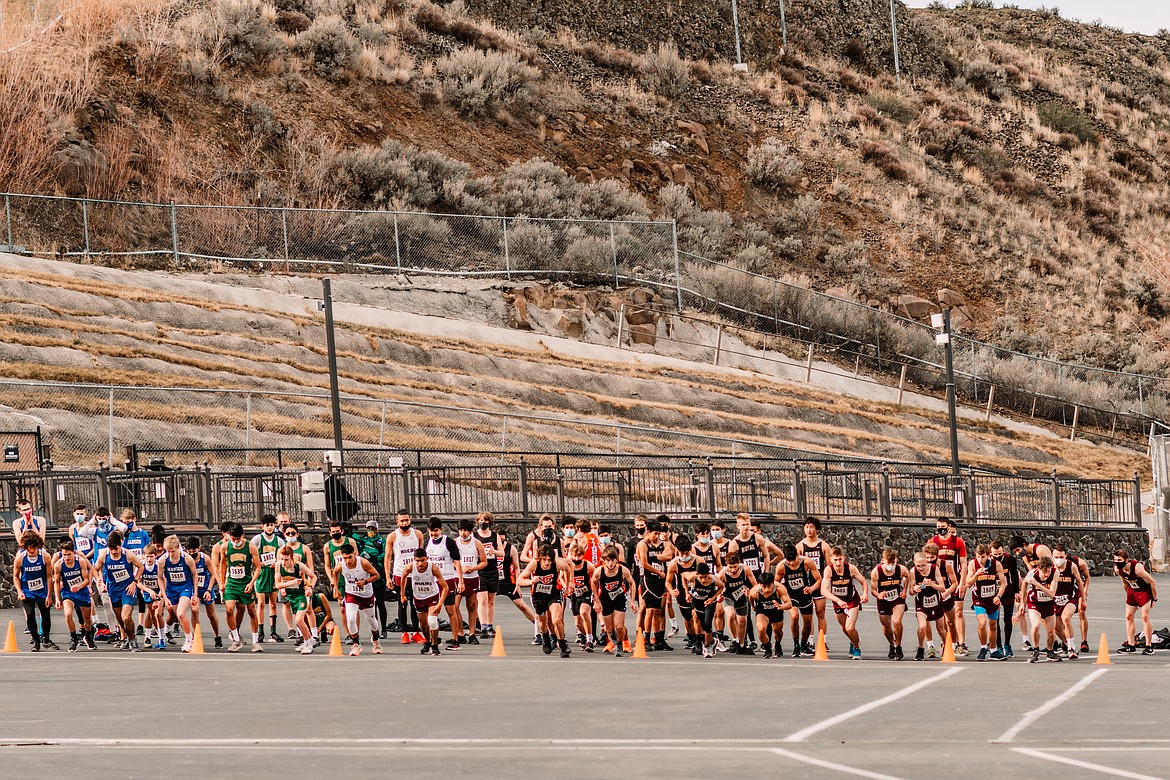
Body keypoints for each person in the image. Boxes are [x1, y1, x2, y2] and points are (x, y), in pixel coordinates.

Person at [518, 543, 574, 657]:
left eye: (549, 559)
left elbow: (567, 568)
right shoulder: (534, 564)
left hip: (553, 593)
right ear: (539, 558)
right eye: (544, 559)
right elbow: (519, 580)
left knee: (557, 619)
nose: (547, 562)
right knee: (543, 622)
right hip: (539, 596)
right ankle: (545, 638)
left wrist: (569, 585)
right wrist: (531, 581)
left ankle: (562, 644)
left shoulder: (556, 563)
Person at [93, 530, 144, 651]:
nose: (115, 552)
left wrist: (135, 581)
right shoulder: (104, 555)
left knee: (126, 617)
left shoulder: (128, 555)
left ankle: (132, 640)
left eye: (116, 549)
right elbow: (95, 569)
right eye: (112, 550)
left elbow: (141, 567)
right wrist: (100, 581)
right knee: (120, 619)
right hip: (113, 590)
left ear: (120, 545)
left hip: (127, 589)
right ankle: (126, 638)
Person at [333, 543, 382, 656]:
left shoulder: (363, 563)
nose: (347, 560)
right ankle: (356, 643)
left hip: (366, 595)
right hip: (351, 594)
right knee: (350, 619)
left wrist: (365, 582)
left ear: (354, 554)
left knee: (372, 621)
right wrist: (335, 588)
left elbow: (376, 575)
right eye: (345, 558)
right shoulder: (341, 565)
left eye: (350, 557)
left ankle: (375, 640)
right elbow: (335, 572)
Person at [221, 523, 263, 653]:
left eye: (237, 539)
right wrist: (222, 583)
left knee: (251, 610)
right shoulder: (225, 547)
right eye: (232, 539)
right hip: (232, 583)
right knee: (229, 609)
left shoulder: (250, 547)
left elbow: (258, 567)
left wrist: (252, 583)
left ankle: (255, 641)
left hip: (246, 582)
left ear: (242, 536)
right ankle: (235, 639)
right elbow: (222, 565)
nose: (235, 542)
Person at [385, 510, 425, 645]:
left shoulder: (418, 534)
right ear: (397, 522)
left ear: (410, 520)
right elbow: (388, 558)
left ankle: (415, 632)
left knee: (416, 603)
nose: (404, 523)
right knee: (402, 603)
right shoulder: (392, 537)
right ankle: (404, 633)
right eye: (402, 521)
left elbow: (422, 555)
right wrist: (388, 577)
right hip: (399, 574)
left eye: (406, 520)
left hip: (415, 575)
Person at [821, 546, 868, 660]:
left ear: (844, 559)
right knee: (844, 628)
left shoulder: (850, 568)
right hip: (838, 602)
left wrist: (865, 593)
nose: (838, 563)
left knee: (850, 627)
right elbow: (823, 590)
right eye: (835, 560)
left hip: (852, 600)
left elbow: (863, 581)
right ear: (831, 560)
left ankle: (856, 647)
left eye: (840, 559)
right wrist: (837, 600)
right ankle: (854, 640)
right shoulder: (828, 570)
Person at [636, 519, 676, 651]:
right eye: (654, 534)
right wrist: (658, 571)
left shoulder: (663, 543)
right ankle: (646, 638)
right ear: (648, 532)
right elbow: (644, 563)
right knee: (650, 610)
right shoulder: (642, 545)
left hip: (660, 580)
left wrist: (655, 557)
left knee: (660, 610)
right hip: (648, 579)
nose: (657, 536)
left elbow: (669, 555)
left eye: (658, 534)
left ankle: (660, 639)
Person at [930, 518, 969, 655]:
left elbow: (964, 564)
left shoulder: (957, 542)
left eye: (943, 526)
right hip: (940, 582)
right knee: (944, 614)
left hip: (954, 580)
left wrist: (963, 582)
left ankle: (961, 643)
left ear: (948, 526)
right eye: (938, 526)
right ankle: (948, 641)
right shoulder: (933, 542)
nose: (941, 528)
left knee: (957, 611)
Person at [424, 518, 465, 650]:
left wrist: (461, 581)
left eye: (436, 531)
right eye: (431, 531)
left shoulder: (449, 542)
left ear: (441, 530)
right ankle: (433, 640)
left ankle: (455, 639)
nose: (433, 534)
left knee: (451, 610)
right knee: (431, 613)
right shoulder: (426, 543)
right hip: (432, 583)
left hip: (447, 580)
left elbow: (457, 562)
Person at [777, 543, 822, 657]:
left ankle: (803, 644)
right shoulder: (781, 566)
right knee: (794, 616)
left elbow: (819, 580)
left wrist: (811, 588)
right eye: (789, 561)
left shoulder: (807, 562)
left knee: (807, 622)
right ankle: (796, 644)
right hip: (790, 595)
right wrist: (781, 599)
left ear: (798, 555)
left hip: (804, 594)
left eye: (794, 560)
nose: (792, 563)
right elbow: (776, 584)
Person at [13, 531, 56, 650]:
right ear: (25, 547)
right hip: (27, 590)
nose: (31, 551)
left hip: (42, 589)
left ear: (38, 546)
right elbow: (16, 576)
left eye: (33, 548)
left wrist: (49, 594)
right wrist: (20, 591)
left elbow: (49, 576)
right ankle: (36, 641)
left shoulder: (45, 556)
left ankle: (46, 639)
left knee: (45, 614)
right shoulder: (20, 558)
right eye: (28, 548)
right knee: (30, 614)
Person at [402, 548, 449, 656]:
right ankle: (427, 642)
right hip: (418, 598)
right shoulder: (410, 567)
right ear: (414, 560)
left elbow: (445, 587)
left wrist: (440, 604)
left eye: (423, 560)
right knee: (423, 625)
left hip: (432, 596)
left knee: (432, 621)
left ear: (427, 559)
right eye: (417, 561)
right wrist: (402, 595)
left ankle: (435, 644)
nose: (420, 563)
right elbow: (403, 577)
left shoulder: (433, 568)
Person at [592, 545, 636, 656]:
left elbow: (632, 583)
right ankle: (614, 641)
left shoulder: (622, 570)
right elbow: (593, 582)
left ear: (617, 560)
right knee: (609, 628)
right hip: (605, 599)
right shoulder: (599, 571)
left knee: (619, 626)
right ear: (604, 560)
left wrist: (632, 601)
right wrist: (597, 600)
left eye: (613, 560)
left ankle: (620, 645)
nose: (611, 563)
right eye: (608, 560)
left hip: (619, 598)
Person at [494, 527, 539, 636]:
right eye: (499, 541)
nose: (502, 543)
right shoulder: (490, 548)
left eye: (503, 540)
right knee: (483, 602)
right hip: (493, 580)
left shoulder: (511, 548)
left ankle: (538, 625)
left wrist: (517, 584)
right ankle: (482, 625)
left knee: (521, 604)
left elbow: (516, 567)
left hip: (508, 581)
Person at [157, 535, 198, 653]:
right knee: (177, 616)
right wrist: (165, 597)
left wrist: (195, 594)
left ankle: (189, 640)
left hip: (185, 587)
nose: (170, 554)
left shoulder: (187, 559)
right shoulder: (162, 561)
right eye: (168, 551)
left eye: (173, 551)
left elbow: (195, 575)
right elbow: (160, 578)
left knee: (180, 614)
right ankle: (189, 638)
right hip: (171, 589)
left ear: (178, 548)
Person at [275, 545, 319, 654]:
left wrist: (310, 588)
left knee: (299, 620)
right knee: (298, 622)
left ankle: (308, 643)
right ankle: (308, 640)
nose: (283, 562)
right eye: (281, 559)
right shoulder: (278, 566)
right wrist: (291, 583)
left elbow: (313, 576)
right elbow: (277, 585)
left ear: (292, 558)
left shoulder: (299, 566)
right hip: (291, 596)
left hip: (302, 595)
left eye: (286, 559)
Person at [966, 544, 1007, 661]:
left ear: (988, 556)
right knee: (982, 623)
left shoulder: (996, 565)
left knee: (993, 625)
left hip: (992, 598)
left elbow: (1003, 583)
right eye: (978, 556)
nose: (980, 560)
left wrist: (999, 596)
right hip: (979, 599)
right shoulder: (972, 564)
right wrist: (976, 575)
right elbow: (968, 583)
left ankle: (993, 650)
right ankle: (983, 647)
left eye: (983, 557)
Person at [53, 539, 95, 651]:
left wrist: (80, 586)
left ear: (73, 552)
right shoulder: (58, 565)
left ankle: (88, 635)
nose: (66, 557)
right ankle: (73, 637)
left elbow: (86, 580)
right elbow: (56, 582)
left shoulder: (80, 561)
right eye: (64, 555)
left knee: (87, 618)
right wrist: (57, 598)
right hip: (68, 593)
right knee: (68, 615)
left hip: (81, 591)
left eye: (69, 554)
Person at [797, 517, 832, 649]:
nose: (809, 530)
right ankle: (810, 641)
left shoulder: (823, 545)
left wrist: (828, 583)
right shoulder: (800, 546)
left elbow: (829, 566)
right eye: (806, 527)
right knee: (808, 614)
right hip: (806, 583)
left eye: (811, 527)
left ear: (816, 528)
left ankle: (823, 640)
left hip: (820, 582)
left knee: (820, 612)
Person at [1114, 550, 1158, 655]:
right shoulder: (1117, 569)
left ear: (1126, 560)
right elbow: (1125, 583)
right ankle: (1131, 645)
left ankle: (1148, 646)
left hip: (1144, 591)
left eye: (1119, 560)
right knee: (1129, 616)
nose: (1117, 562)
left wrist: (1154, 598)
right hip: (1133, 592)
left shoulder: (1137, 569)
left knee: (1145, 616)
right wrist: (1129, 598)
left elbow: (1152, 582)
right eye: (1115, 560)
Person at [250, 515, 285, 644]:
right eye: (267, 525)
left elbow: (283, 556)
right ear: (262, 526)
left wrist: (277, 563)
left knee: (273, 603)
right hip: (262, 572)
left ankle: (273, 631)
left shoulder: (279, 541)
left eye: (272, 525)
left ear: (275, 526)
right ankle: (260, 631)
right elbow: (251, 553)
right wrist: (258, 562)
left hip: (273, 572)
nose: (270, 527)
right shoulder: (257, 539)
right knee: (261, 603)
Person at [923, 542, 963, 656]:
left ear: (937, 556)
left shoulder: (946, 565)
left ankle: (954, 645)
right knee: (926, 621)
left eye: (932, 557)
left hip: (945, 597)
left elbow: (955, 583)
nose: (929, 560)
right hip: (930, 598)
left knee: (950, 622)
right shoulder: (923, 567)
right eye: (927, 558)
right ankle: (930, 645)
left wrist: (946, 592)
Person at [1021, 556, 1062, 663]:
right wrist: (1022, 603)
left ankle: (1050, 652)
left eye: (1048, 571)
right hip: (1035, 603)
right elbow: (1024, 585)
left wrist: (1037, 584)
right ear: (1039, 569)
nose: (1046, 574)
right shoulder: (1032, 573)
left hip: (1048, 604)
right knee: (1036, 625)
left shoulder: (1055, 573)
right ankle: (1035, 650)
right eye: (1044, 572)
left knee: (1051, 632)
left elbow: (1052, 593)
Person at [870, 548, 909, 660]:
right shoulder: (876, 572)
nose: (891, 565)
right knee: (886, 627)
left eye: (893, 563)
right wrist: (878, 595)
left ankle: (898, 646)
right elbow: (873, 590)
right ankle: (892, 644)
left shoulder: (900, 569)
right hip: (883, 600)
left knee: (896, 621)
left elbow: (907, 576)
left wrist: (904, 590)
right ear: (883, 561)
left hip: (897, 599)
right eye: (888, 563)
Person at [715, 551, 756, 655]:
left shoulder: (745, 569)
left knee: (742, 621)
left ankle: (742, 645)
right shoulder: (723, 574)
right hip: (728, 597)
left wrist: (750, 593)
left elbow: (755, 585)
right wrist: (718, 597)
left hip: (741, 597)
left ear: (739, 563)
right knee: (730, 615)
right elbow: (717, 589)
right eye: (730, 567)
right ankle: (735, 639)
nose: (732, 570)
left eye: (735, 567)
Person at [910, 551, 948, 661]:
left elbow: (942, 588)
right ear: (914, 563)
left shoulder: (934, 569)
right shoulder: (913, 572)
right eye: (918, 566)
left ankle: (947, 648)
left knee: (940, 629)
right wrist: (914, 589)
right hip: (922, 603)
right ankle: (921, 648)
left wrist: (931, 584)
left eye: (923, 565)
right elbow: (911, 592)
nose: (921, 568)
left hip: (936, 602)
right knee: (922, 626)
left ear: (927, 562)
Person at [1053, 544, 1091, 654]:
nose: (1058, 560)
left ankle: (1073, 646)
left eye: (1061, 557)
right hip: (1054, 598)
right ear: (1052, 556)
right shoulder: (1049, 566)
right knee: (1055, 624)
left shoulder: (1073, 565)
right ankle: (1065, 642)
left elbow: (1081, 581)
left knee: (1066, 618)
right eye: (1056, 557)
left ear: (1066, 556)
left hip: (1070, 597)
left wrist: (1083, 597)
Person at [185, 537, 222, 649]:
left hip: (205, 587)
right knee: (195, 611)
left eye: (194, 552)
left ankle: (217, 635)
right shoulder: (186, 559)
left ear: (199, 549)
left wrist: (209, 590)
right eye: (189, 552)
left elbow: (212, 575)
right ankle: (197, 636)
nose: (192, 554)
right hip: (192, 588)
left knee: (211, 614)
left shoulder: (205, 559)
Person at [279, 523, 314, 641]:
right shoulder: (281, 550)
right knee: (294, 611)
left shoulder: (304, 549)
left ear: (297, 534)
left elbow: (311, 570)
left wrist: (309, 586)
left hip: (303, 586)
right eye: (288, 533)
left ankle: (313, 635)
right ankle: (300, 635)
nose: (290, 535)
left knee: (308, 610)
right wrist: (284, 587)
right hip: (289, 586)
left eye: (293, 533)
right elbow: (278, 576)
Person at [454, 519, 487, 645]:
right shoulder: (455, 543)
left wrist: (473, 568)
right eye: (461, 530)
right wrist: (460, 568)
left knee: (472, 606)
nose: (463, 533)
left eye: (466, 531)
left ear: (470, 531)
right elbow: (451, 561)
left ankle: (472, 633)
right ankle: (460, 632)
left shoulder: (477, 543)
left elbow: (484, 562)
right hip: (457, 577)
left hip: (472, 577)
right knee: (455, 606)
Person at [355, 519, 389, 639]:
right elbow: (356, 546)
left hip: (379, 573)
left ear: (377, 529)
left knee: (380, 602)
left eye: (373, 529)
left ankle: (384, 629)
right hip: (367, 574)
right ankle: (375, 628)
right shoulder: (364, 541)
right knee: (371, 603)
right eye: (368, 529)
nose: (370, 531)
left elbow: (386, 554)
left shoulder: (382, 541)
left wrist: (374, 558)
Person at [749, 571, 793, 659]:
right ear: (760, 584)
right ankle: (767, 648)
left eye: (769, 586)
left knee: (778, 632)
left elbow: (789, 604)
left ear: (773, 583)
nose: (766, 590)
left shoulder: (780, 588)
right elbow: (750, 598)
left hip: (776, 610)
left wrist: (781, 606)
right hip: (763, 611)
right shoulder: (755, 591)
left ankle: (777, 643)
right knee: (761, 629)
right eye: (763, 587)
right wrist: (753, 606)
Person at [667, 537, 699, 652]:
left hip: (697, 592)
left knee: (696, 616)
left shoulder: (698, 560)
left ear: (691, 550)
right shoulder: (673, 564)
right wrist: (671, 590)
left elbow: (706, 576)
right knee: (688, 618)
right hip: (682, 594)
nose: (684, 556)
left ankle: (699, 639)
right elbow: (668, 582)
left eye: (687, 553)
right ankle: (692, 636)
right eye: (682, 553)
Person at [473, 512, 502, 638]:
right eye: (480, 520)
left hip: (492, 570)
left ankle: (490, 625)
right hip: (480, 570)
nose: (482, 522)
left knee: (491, 600)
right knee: (482, 599)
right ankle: (483, 626)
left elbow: (502, 552)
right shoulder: (474, 536)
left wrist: (494, 551)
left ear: (490, 522)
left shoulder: (495, 536)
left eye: (485, 520)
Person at [990, 540, 1021, 658]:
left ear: (1003, 551)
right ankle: (998, 645)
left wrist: (1016, 592)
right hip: (993, 592)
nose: (997, 557)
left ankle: (1007, 644)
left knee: (1007, 619)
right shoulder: (988, 561)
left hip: (1007, 590)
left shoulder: (1010, 560)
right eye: (995, 555)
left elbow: (1014, 575)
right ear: (990, 553)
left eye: (999, 554)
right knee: (995, 620)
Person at [687, 562, 722, 658]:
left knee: (707, 623)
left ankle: (707, 647)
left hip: (709, 602)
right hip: (698, 602)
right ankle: (713, 641)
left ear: (709, 575)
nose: (703, 580)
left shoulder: (713, 579)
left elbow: (722, 586)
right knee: (702, 624)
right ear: (697, 575)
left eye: (705, 577)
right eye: (701, 577)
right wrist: (687, 593)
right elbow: (683, 576)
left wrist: (713, 598)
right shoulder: (692, 577)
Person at [568, 541, 597, 651]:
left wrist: (595, 594)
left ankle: (590, 640)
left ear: (582, 555)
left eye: (579, 555)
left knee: (584, 612)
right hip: (575, 595)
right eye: (575, 555)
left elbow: (595, 579)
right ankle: (586, 635)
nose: (576, 558)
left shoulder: (588, 565)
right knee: (578, 623)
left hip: (586, 592)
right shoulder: (568, 565)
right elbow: (561, 576)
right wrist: (567, 585)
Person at [323, 519, 359, 606]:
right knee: (342, 606)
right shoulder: (327, 546)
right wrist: (332, 579)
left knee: (354, 605)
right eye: (333, 531)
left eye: (337, 531)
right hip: (339, 579)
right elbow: (327, 565)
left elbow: (357, 558)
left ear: (342, 531)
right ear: (330, 533)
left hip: (351, 577)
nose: (336, 533)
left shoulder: (350, 542)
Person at [136, 545, 165, 649]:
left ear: (155, 556)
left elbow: (164, 583)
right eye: (147, 556)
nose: (149, 559)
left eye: (151, 556)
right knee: (150, 613)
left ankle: (162, 637)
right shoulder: (141, 566)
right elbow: (138, 583)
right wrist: (148, 591)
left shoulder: (159, 566)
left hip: (159, 591)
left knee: (158, 614)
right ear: (144, 555)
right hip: (148, 591)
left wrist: (158, 597)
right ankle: (147, 636)